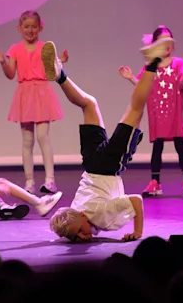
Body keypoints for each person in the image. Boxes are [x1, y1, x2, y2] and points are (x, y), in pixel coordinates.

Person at [46, 37, 169, 242]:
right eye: (76, 237)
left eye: (80, 230)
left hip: (108, 165)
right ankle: (60, 75)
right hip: (90, 162)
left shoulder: (101, 216)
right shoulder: (74, 212)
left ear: (83, 215)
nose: (84, 236)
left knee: (135, 110)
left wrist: (138, 232)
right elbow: (67, 221)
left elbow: (136, 201)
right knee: (89, 104)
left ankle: (153, 61)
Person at [0, 10, 66, 194]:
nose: (30, 30)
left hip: (42, 93)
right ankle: (29, 182)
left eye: (33, 26)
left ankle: (50, 180)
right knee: (27, 140)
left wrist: (60, 63)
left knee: (42, 137)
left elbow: (52, 73)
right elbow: (11, 74)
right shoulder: (15, 49)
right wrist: (2, 62)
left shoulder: (45, 48)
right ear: (19, 28)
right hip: (25, 94)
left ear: (40, 28)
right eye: (26, 26)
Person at [119, 25, 183, 196]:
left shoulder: (178, 63)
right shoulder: (151, 66)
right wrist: (131, 78)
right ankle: (155, 182)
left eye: (169, 40)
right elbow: (143, 86)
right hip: (157, 114)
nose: (166, 44)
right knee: (157, 146)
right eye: (162, 41)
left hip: (174, 114)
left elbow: (180, 86)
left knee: (180, 145)